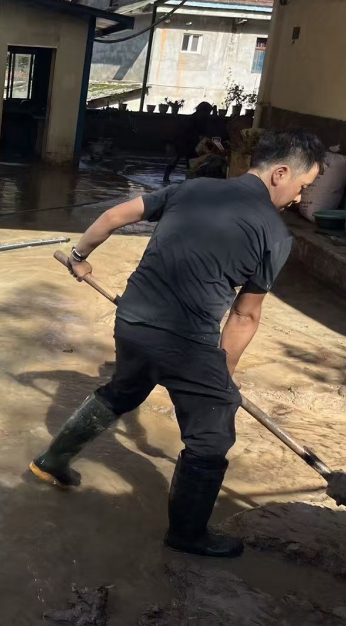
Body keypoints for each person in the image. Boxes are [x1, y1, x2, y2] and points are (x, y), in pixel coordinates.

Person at [30, 129, 325, 559]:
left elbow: (113, 216)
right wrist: (223, 377)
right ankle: (188, 535)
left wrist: (79, 257)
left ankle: (51, 461)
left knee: (124, 390)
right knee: (211, 438)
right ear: (281, 173)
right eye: (302, 186)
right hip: (187, 342)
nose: (299, 198)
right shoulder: (275, 235)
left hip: (132, 321)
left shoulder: (193, 188)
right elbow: (244, 315)